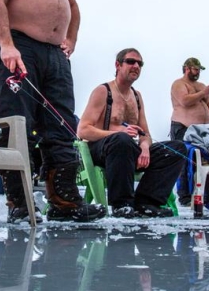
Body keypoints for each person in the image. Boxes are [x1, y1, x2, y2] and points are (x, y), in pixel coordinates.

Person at [0, 0, 104, 223]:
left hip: (56, 57)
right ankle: (19, 203)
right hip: (20, 47)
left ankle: (65, 201)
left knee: (62, 125)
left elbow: (73, 6)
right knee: (17, 122)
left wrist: (71, 39)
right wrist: (7, 45)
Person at [77, 48, 187, 218]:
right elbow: (83, 130)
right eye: (130, 61)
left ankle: (146, 202)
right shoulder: (103, 91)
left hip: (128, 150)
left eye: (140, 63)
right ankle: (122, 204)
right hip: (102, 150)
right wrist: (117, 131)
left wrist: (144, 147)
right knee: (121, 139)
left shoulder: (137, 96)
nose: (136, 66)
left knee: (177, 148)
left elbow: (145, 133)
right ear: (118, 65)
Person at [170, 57, 209, 206]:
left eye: (199, 70)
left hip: (202, 131)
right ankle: (184, 196)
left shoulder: (201, 86)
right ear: (187, 69)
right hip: (183, 128)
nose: (198, 73)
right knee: (184, 161)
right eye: (195, 69)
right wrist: (203, 93)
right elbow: (185, 101)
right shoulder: (179, 84)